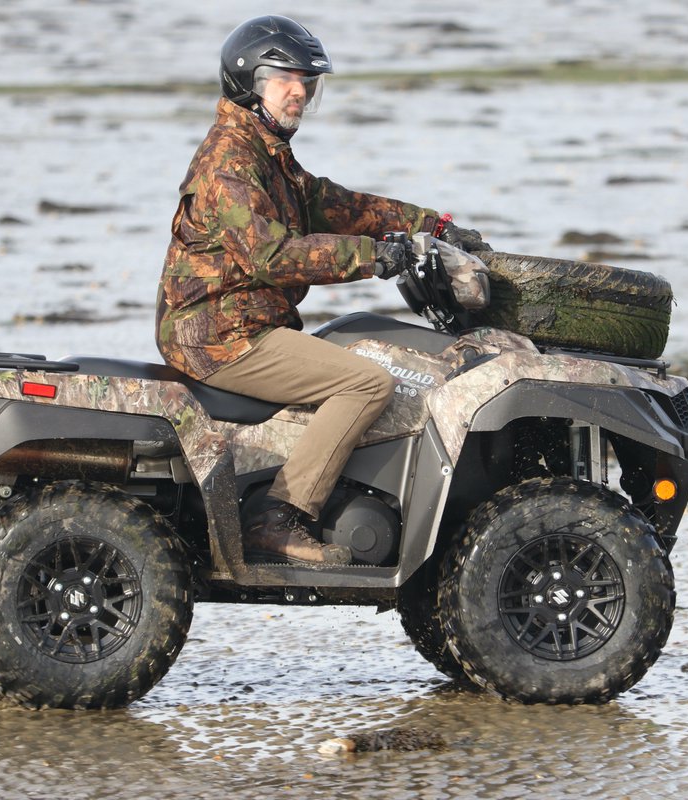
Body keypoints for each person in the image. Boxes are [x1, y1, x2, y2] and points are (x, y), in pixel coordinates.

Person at [155, 15, 486, 566]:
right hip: (221, 336)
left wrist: (432, 224)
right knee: (366, 383)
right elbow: (271, 255)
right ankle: (278, 517)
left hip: (242, 324)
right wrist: (375, 258)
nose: (300, 92)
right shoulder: (232, 162)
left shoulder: (266, 153)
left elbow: (337, 205)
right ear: (249, 82)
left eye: (308, 81)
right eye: (286, 78)